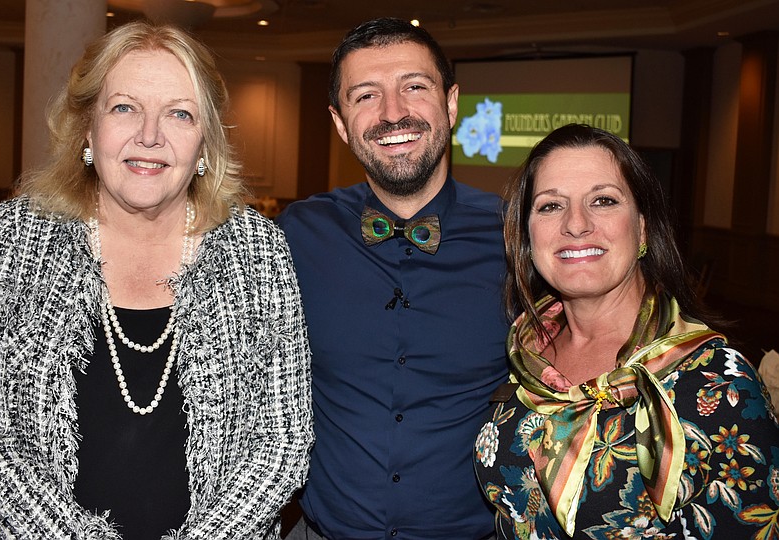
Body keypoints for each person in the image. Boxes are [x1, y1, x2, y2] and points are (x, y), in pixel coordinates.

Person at [0, 21, 313, 540]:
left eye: (179, 113)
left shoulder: (256, 250)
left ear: (205, 142)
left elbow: (281, 440)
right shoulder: (13, 238)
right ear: (88, 128)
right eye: (124, 107)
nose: (150, 136)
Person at [474, 123, 779, 538]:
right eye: (550, 206)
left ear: (642, 227)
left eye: (603, 200)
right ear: (527, 236)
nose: (576, 224)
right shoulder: (524, 352)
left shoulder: (719, 384)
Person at [277, 17, 509, 540]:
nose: (393, 112)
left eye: (414, 87)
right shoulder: (295, 234)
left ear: (450, 104)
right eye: (366, 96)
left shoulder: (516, 239)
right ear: (340, 123)